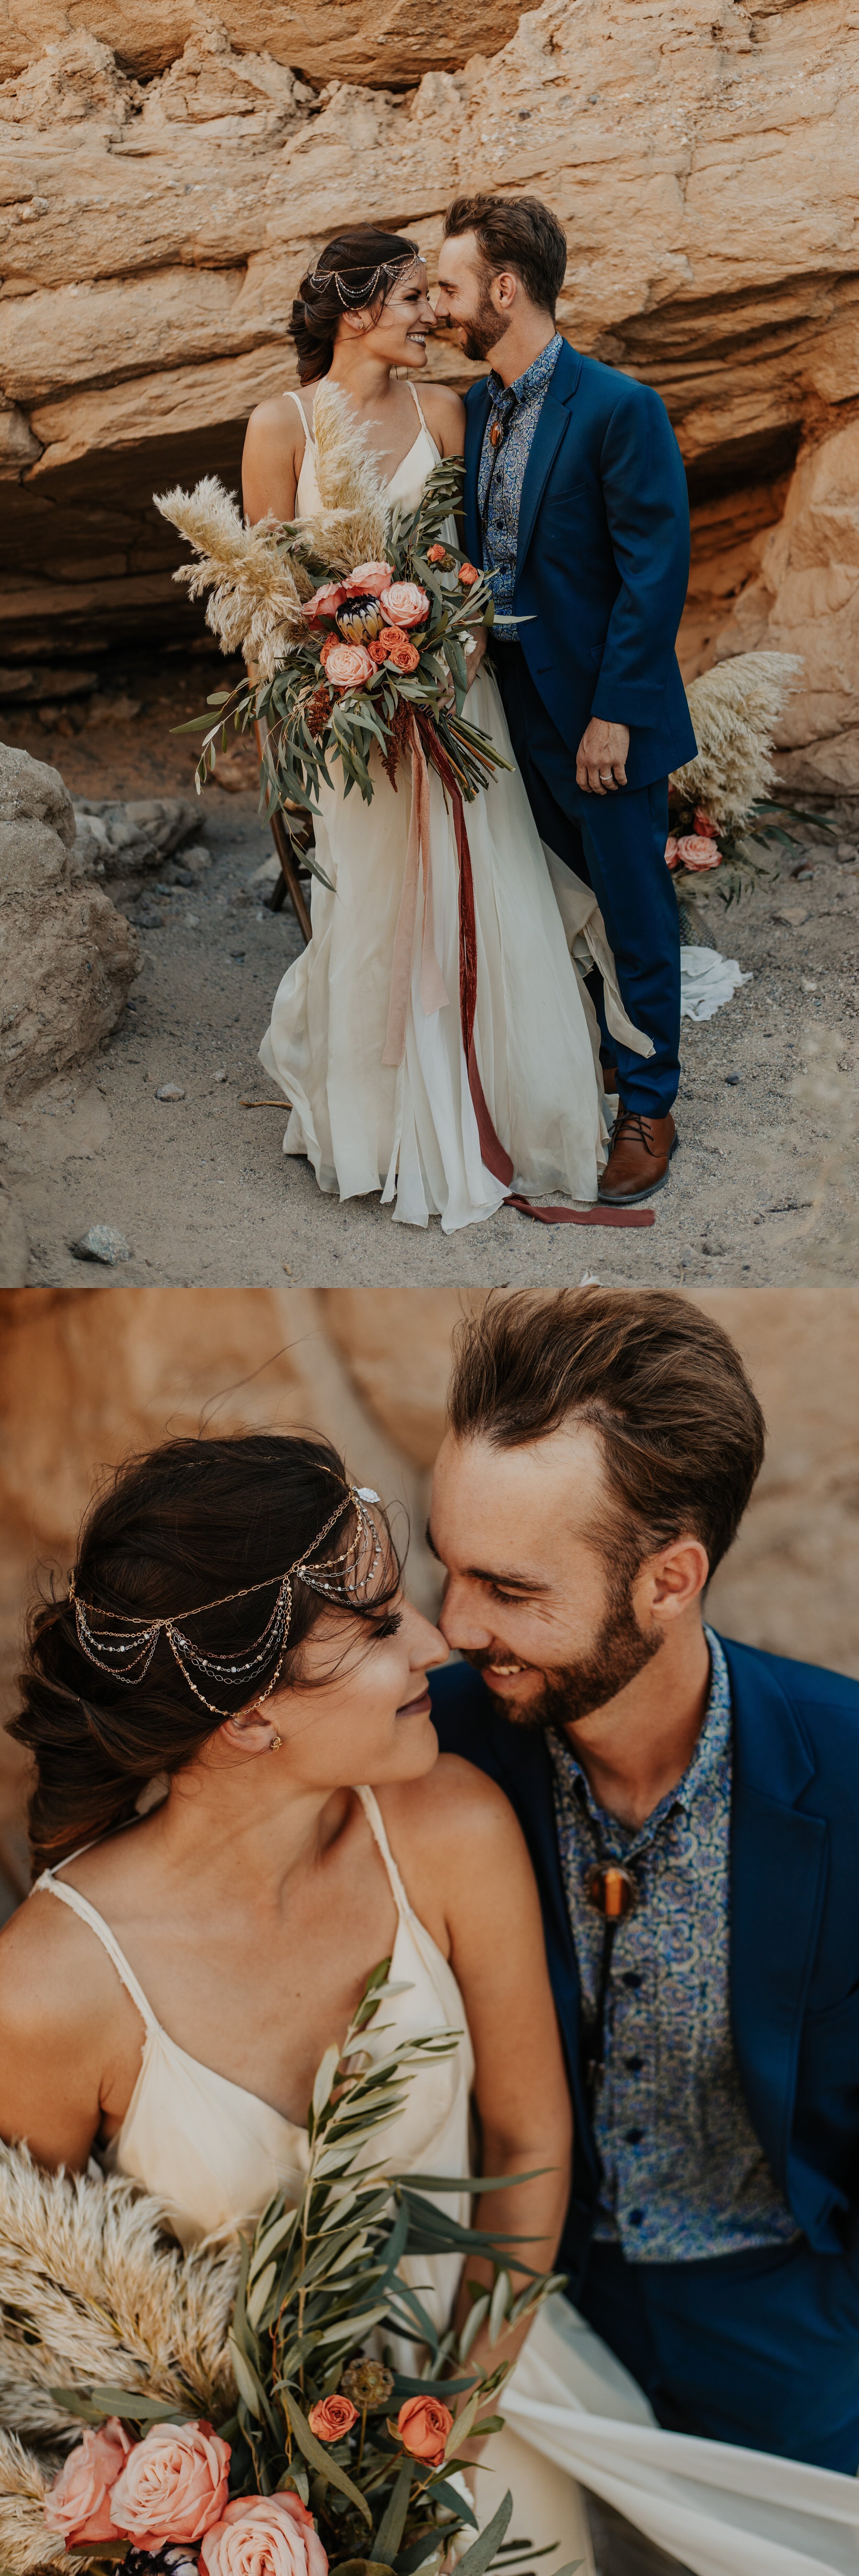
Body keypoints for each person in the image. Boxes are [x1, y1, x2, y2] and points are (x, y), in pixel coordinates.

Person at [0, 1430, 591, 2572]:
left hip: (495, 2421)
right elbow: (43, 2335)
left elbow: (529, 2136)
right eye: (377, 1626)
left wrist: (434, 2442)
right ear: (250, 1715)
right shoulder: (44, 1993)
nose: (435, 1644)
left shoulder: (451, 1830)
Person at [428, 1286, 859, 2565]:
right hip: (517, 2320)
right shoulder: (428, 1746)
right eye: (448, 1565)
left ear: (669, 1579)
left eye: (507, 1587)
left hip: (791, 2325)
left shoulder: (848, 1767)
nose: (454, 1626)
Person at [244, 227, 649, 1233]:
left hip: (456, 703)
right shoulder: (280, 425)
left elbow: (475, 563)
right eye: (415, 298)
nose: (435, 315)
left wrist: (451, 651)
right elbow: (266, 594)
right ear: (356, 311)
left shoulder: (451, 413)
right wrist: (331, 680)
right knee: (376, 903)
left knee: (484, 889)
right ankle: (381, 1125)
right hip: (352, 714)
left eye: (438, 294)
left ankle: (511, 1105)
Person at [434, 200, 698, 1207]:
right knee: (555, 896)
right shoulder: (475, 405)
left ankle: (649, 1101)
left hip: (598, 713)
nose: (443, 307)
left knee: (630, 899)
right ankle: (591, 1058)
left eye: (452, 288)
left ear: (506, 290)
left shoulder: (617, 406)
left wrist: (617, 713)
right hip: (507, 704)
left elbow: (652, 572)